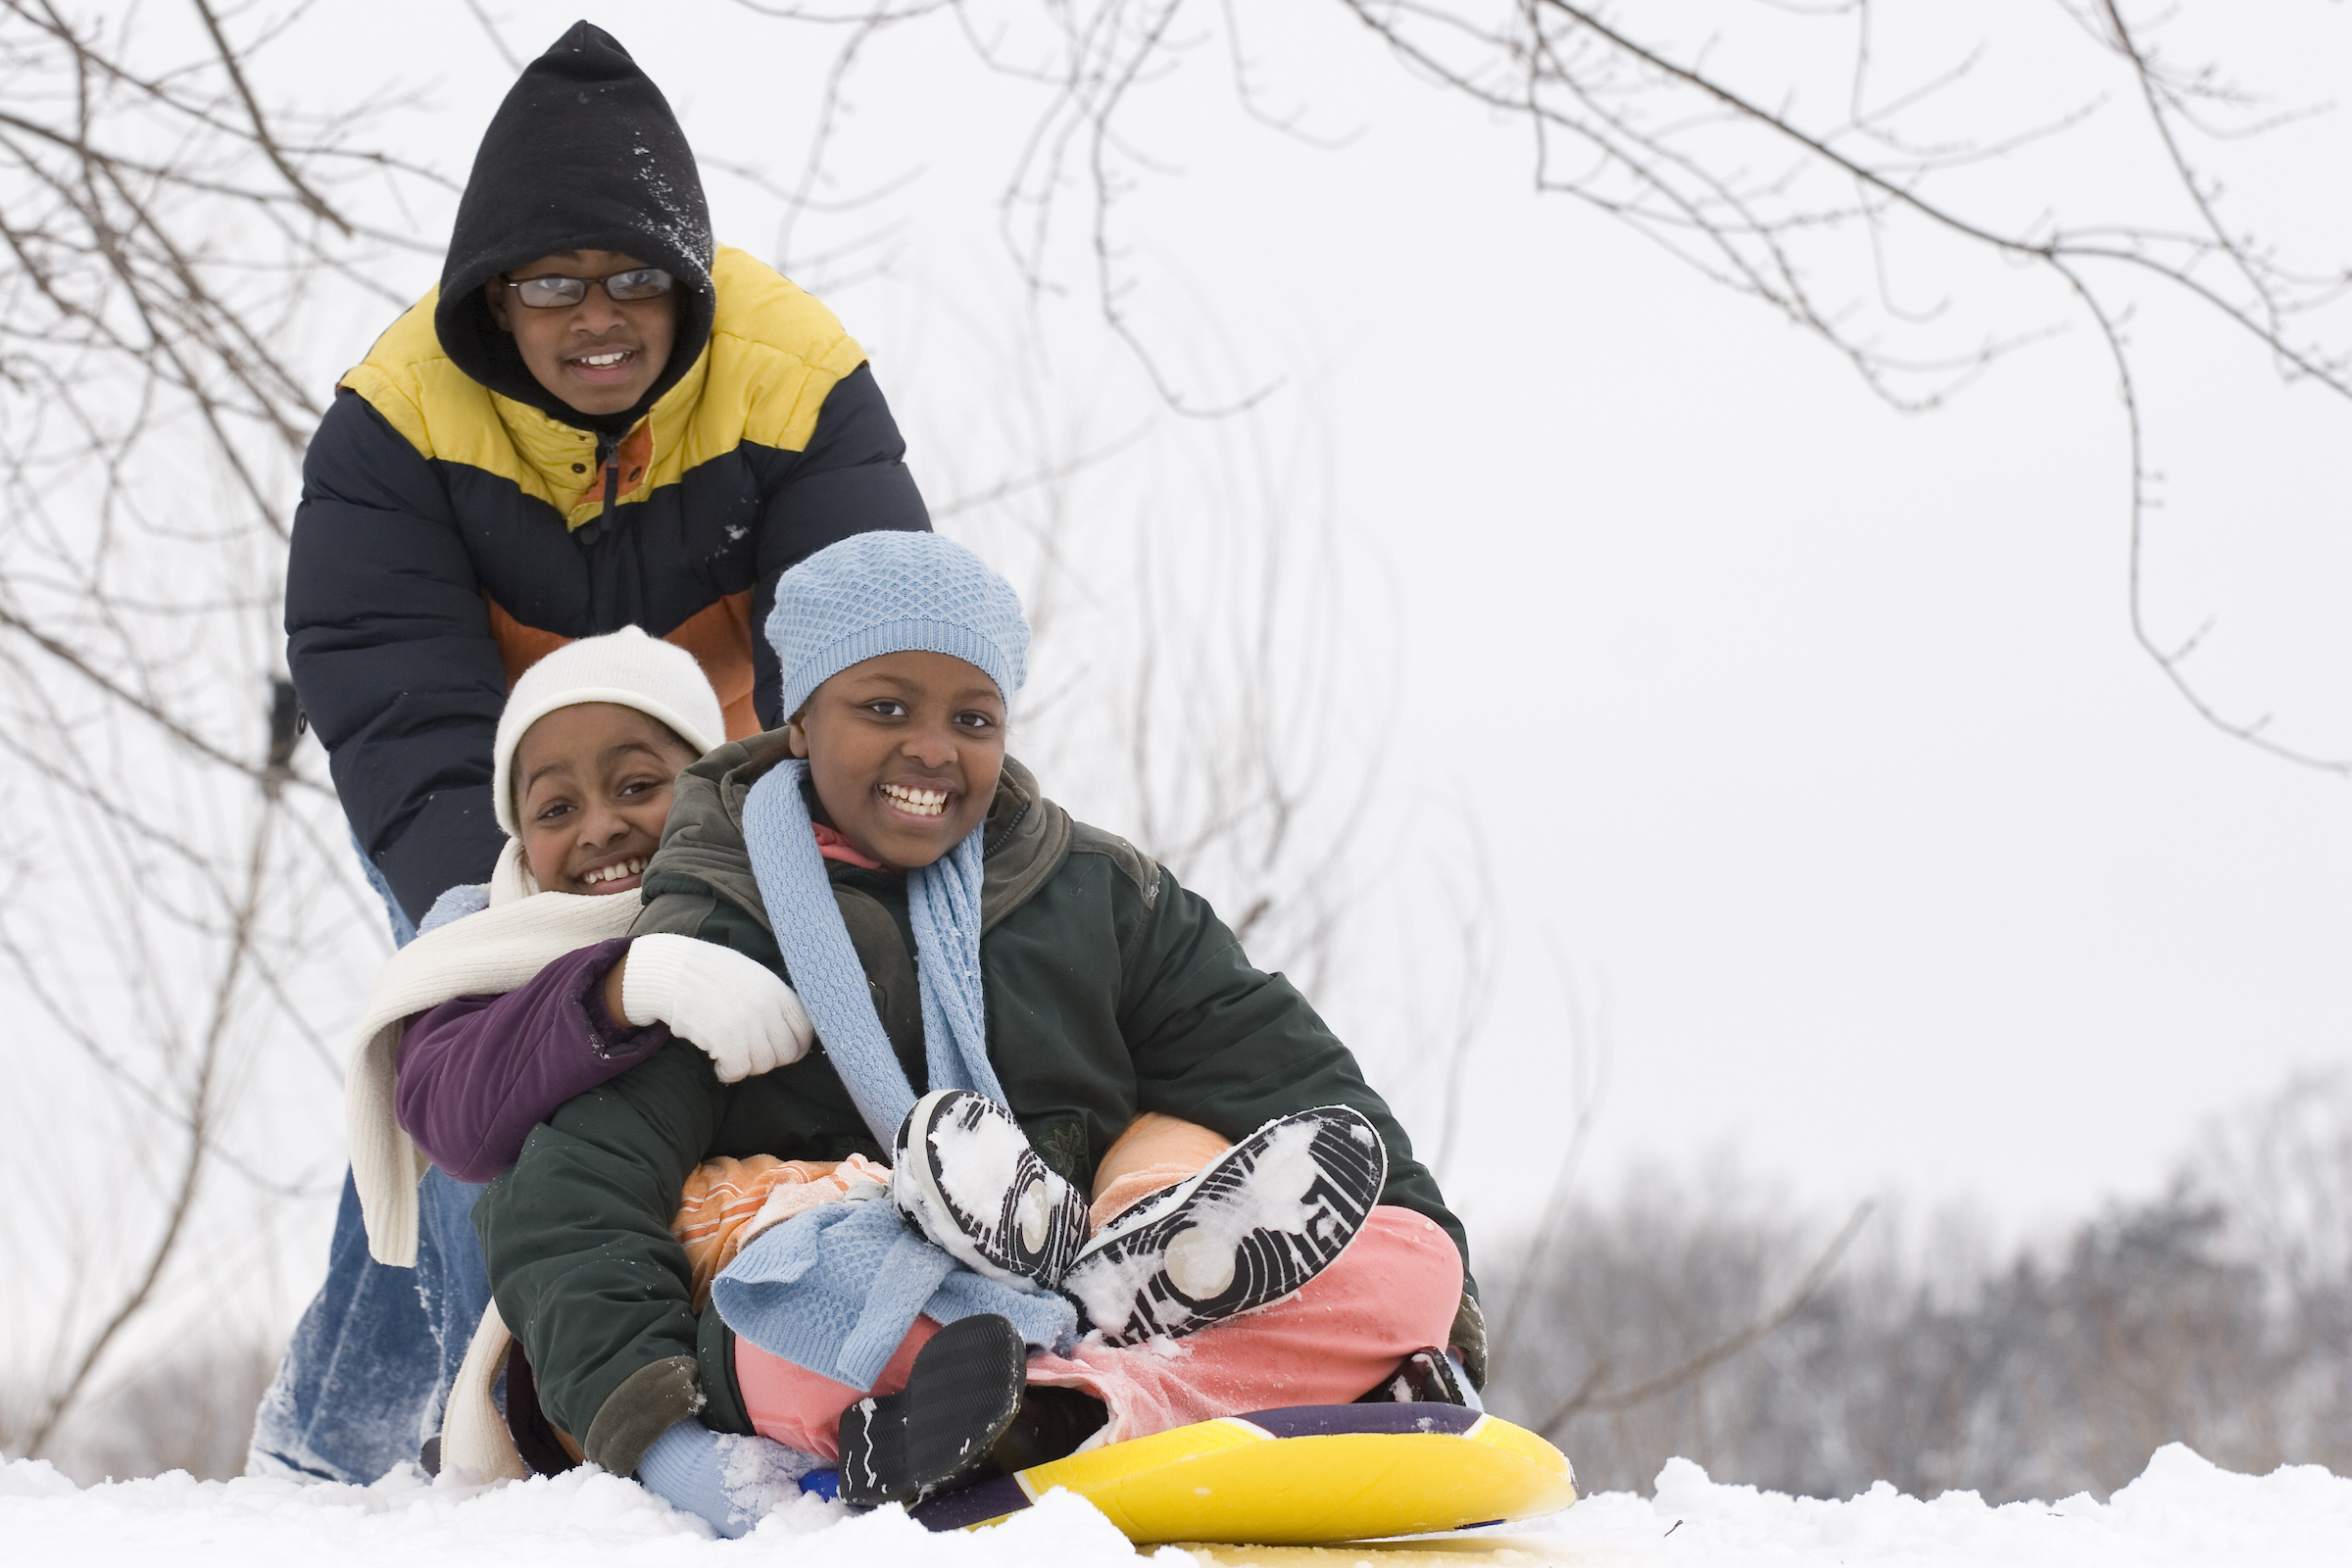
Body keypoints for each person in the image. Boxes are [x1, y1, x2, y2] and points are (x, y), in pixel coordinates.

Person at [466, 532, 1488, 1536]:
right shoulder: (716, 922)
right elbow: (571, 1199)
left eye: (973, 715)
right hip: (887, 1306)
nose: (933, 747)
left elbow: (1295, 1081)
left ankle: (1066, 1411)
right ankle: (1104, 1391)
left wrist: (1445, 1315)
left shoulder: (1100, 897)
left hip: (1098, 1285)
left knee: (1410, 1260)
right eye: (885, 707)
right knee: (795, 1312)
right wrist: (668, 1445)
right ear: (799, 724)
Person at [261, 20, 926, 1483]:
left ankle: (802, 1341)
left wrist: (855, 847)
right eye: (555, 287)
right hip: (510, 805)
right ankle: (398, 1434)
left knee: (744, 1066)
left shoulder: (792, 376)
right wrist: (469, 903)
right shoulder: (396, 422)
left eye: (635, 281)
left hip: (730, 772)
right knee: (470, 1090)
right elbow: (383, 679)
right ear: (497, 301)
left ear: (688, 285)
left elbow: (865, 636)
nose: (598, 318)